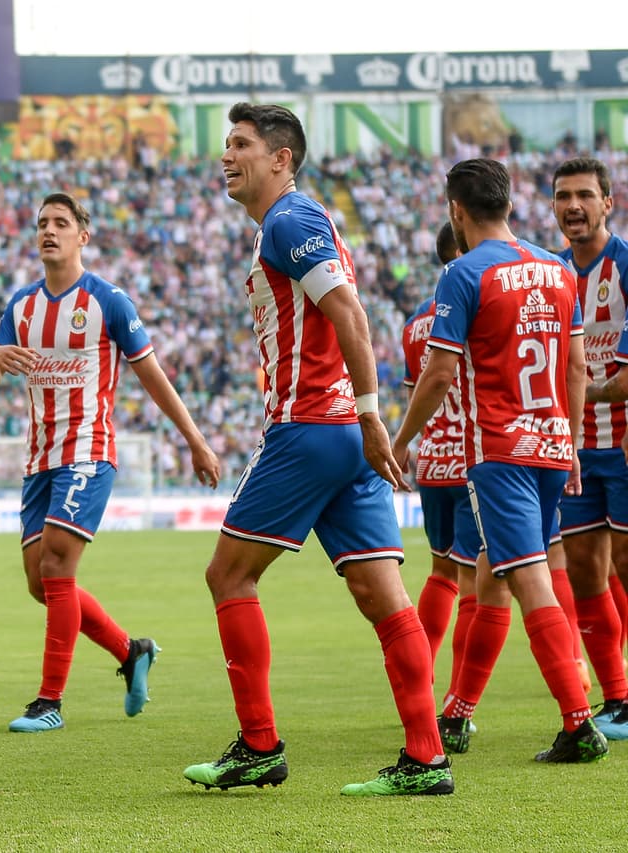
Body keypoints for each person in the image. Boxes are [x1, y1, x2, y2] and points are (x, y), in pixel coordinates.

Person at [184, 103, 451, 797]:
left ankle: (259, 744)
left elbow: (351, 315)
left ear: (282, 159)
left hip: (310, 428)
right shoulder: (300, 223)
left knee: (228, 575)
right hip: (342, 437)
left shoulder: (289, 220)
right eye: (226, 143)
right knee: (381, 593)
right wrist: (363, 424)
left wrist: (371, 417)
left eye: (241, 144)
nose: (227, 155)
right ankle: (426, 757)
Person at [0, 192, 222, 734]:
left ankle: (49, 702)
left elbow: (152, 375)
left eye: (61, 223)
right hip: (39, 459)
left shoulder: (109, 301)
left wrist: (195, 439)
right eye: (42, 223)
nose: (49, 231)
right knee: (40, 584)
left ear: (82, 236)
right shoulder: (21, 306)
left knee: (58, 566)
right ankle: (132, 651)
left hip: (89, 451)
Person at [393, 157, 608, 764]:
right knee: (497, 575)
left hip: (500, 453)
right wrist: (566, 444)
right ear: (509, 204)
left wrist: (402, 438)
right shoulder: (557, 268)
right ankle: (461, 708)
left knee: (525, 579)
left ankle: (576, 723)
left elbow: (436, 377)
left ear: (456, 212)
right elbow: (574, 368)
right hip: (548, 447)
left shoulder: (462, 273)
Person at [554, 156, 628, 739]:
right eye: (563, 197)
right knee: (584, 571)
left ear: (609, 202)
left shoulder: (625, 267)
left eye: (584, 195)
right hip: (574, 450)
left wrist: (574, 393)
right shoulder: (550, 275)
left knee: (625, 564)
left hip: (625, 445)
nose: (573, 206)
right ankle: (617, 699)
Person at [404, 223, 480, 677]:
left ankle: (421, 676)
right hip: (474, 458)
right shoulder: (479, 303)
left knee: (441, 574)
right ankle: (457, 704)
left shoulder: (415, 324)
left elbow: (420, 391)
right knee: (475, 582)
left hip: (432, 459)